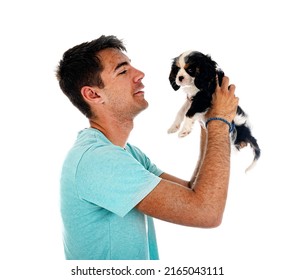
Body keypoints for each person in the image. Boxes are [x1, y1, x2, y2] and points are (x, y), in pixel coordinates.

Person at [56, 35, 239, 260]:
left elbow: (195, 191)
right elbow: (206, 211)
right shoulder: (98, 160)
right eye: (123, 71)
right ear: (93, 94)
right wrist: (219, 121)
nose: (139, 74)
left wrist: (207, 116)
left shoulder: (127, 154)